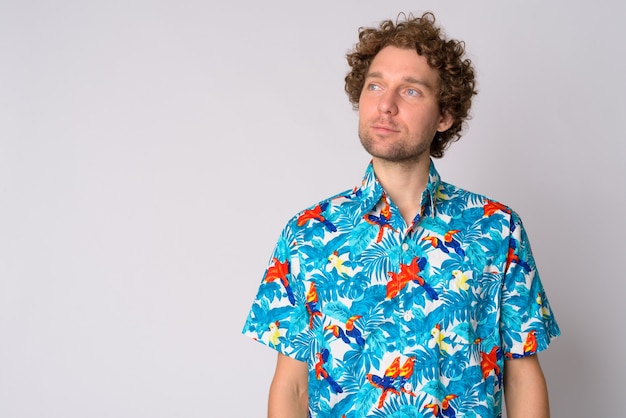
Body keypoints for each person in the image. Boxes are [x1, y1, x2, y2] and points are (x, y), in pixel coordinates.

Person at [242, 11, 560, 418]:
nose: (386, 105)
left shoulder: (499, 229)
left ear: (444, 115)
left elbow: (522, 376)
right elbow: (292, 387)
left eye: (410, 91)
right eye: (375, 86)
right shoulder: (307, 234)